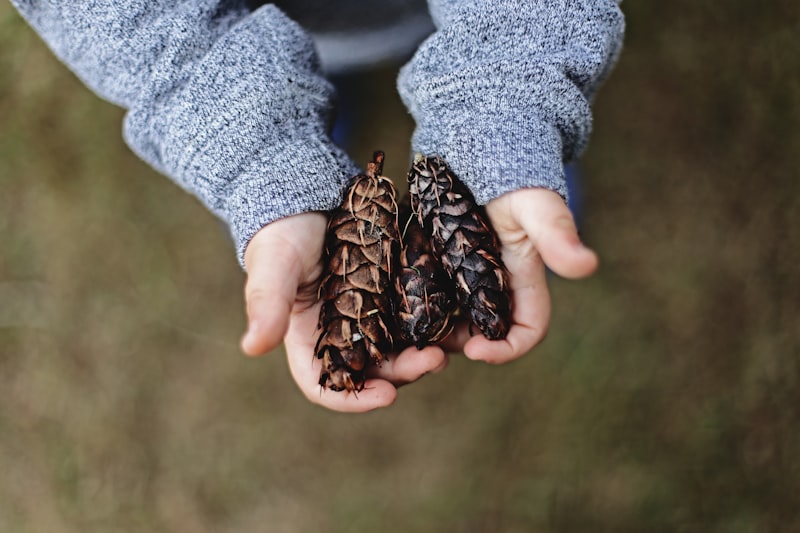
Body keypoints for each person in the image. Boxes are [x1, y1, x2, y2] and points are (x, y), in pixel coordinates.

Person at [10, 1, 625, 413]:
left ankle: (513, 166)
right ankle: (308, 99)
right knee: (320, 67)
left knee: (508, 155)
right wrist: (265, 152)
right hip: (275, 18)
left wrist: (507, 108)